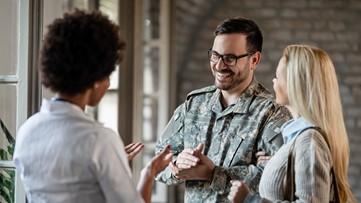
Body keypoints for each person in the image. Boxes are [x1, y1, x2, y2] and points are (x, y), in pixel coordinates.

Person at [13, 10, 173, 203]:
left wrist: (108, 161)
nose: (108, 84)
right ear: (95, 77)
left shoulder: (28, 130)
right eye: (107, 74)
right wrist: (149, 172)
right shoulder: (99, 140)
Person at [155, 17, 291, 202]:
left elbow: (281, 181)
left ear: (254, 60)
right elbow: (158, 164)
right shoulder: (193, 104)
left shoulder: (272, 113)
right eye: (215, 55)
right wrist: (178, 165)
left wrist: (214, 175)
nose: (219, 66)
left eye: (230, 58)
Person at [228, 45, 355, 202]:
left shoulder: (309, 141)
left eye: (278, 76)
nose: (274, 81)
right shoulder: (301, 138)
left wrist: (249, 200)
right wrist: (279, 164)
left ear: (295, 83)